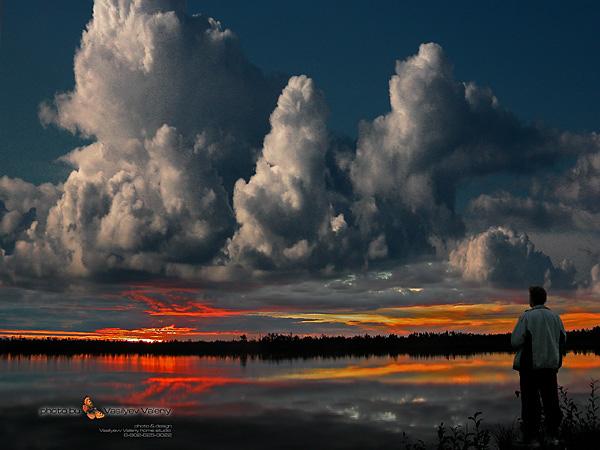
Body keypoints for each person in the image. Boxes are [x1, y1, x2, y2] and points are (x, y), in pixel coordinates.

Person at [511, 286, 566, 447]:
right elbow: (563, 338)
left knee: (530, 403)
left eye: (529, 296)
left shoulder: (527, 317)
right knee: (551, 402)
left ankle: (531, 438)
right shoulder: (556, 317)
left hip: (530, 368)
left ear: (532, 299)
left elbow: (515, 341)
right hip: (550, 367)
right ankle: (553, 436)